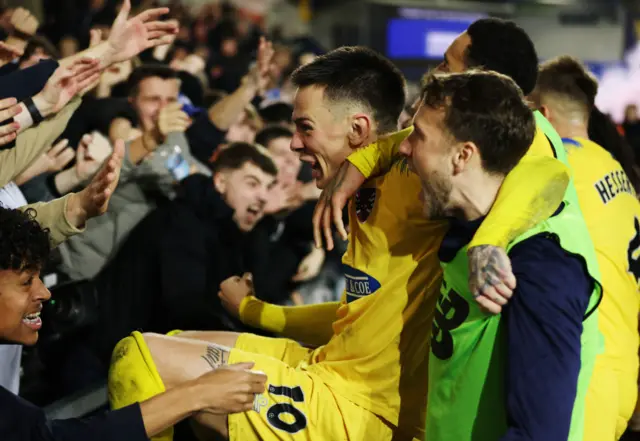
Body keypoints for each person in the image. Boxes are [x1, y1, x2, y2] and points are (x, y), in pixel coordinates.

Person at [107, 46, 570, 441]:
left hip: (361, 409)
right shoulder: (361, 191)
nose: (291, 144)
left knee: (141, 358)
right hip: (328, 368)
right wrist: (257, 312)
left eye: (304, 127)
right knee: (169, 347)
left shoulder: (417, 180)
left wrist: (486, 243)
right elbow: (358, 315)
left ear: (357, 130)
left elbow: (545, 167)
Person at [0, 145, 267, 441]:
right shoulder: (182, 222)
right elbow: (54, 438)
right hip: (99, 358)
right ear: (220, 181)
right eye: (26, 281)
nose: (45, 293)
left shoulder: (232, 239)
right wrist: (197, 394)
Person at [530, 55, 640, 441]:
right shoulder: (615, 168)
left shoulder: (561, 168)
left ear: (542, 112)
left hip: (585, 374)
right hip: (621, 370)